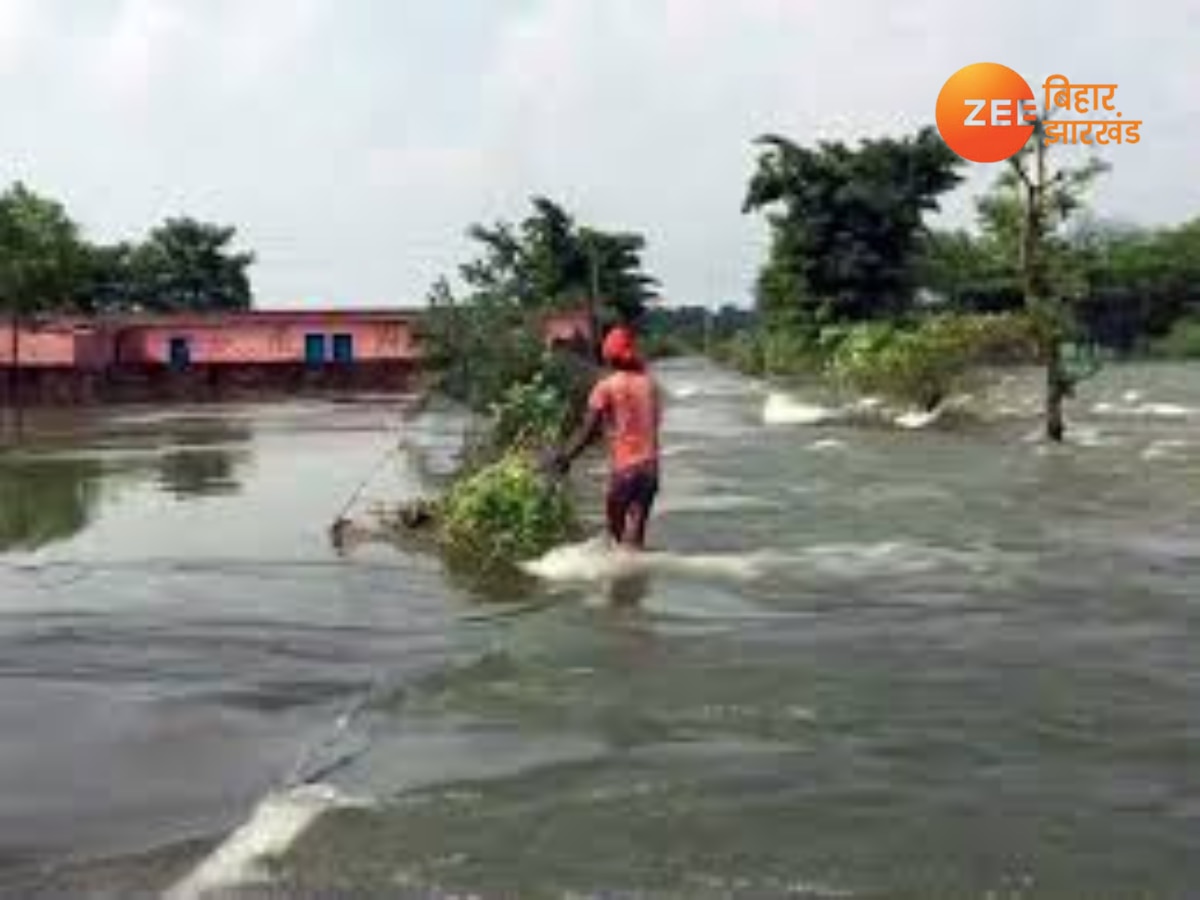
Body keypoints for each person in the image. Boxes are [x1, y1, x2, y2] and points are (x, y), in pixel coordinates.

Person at [552, 324, 663, 550]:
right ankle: (636, 581)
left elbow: (588, 430)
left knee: (615, 539)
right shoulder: (650, 385)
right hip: (651, 470)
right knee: (636, 537)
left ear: (608, 356)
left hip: (625, 471)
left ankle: (621, 583)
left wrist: (566, 457)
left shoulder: (606, 387)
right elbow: (653, 423)